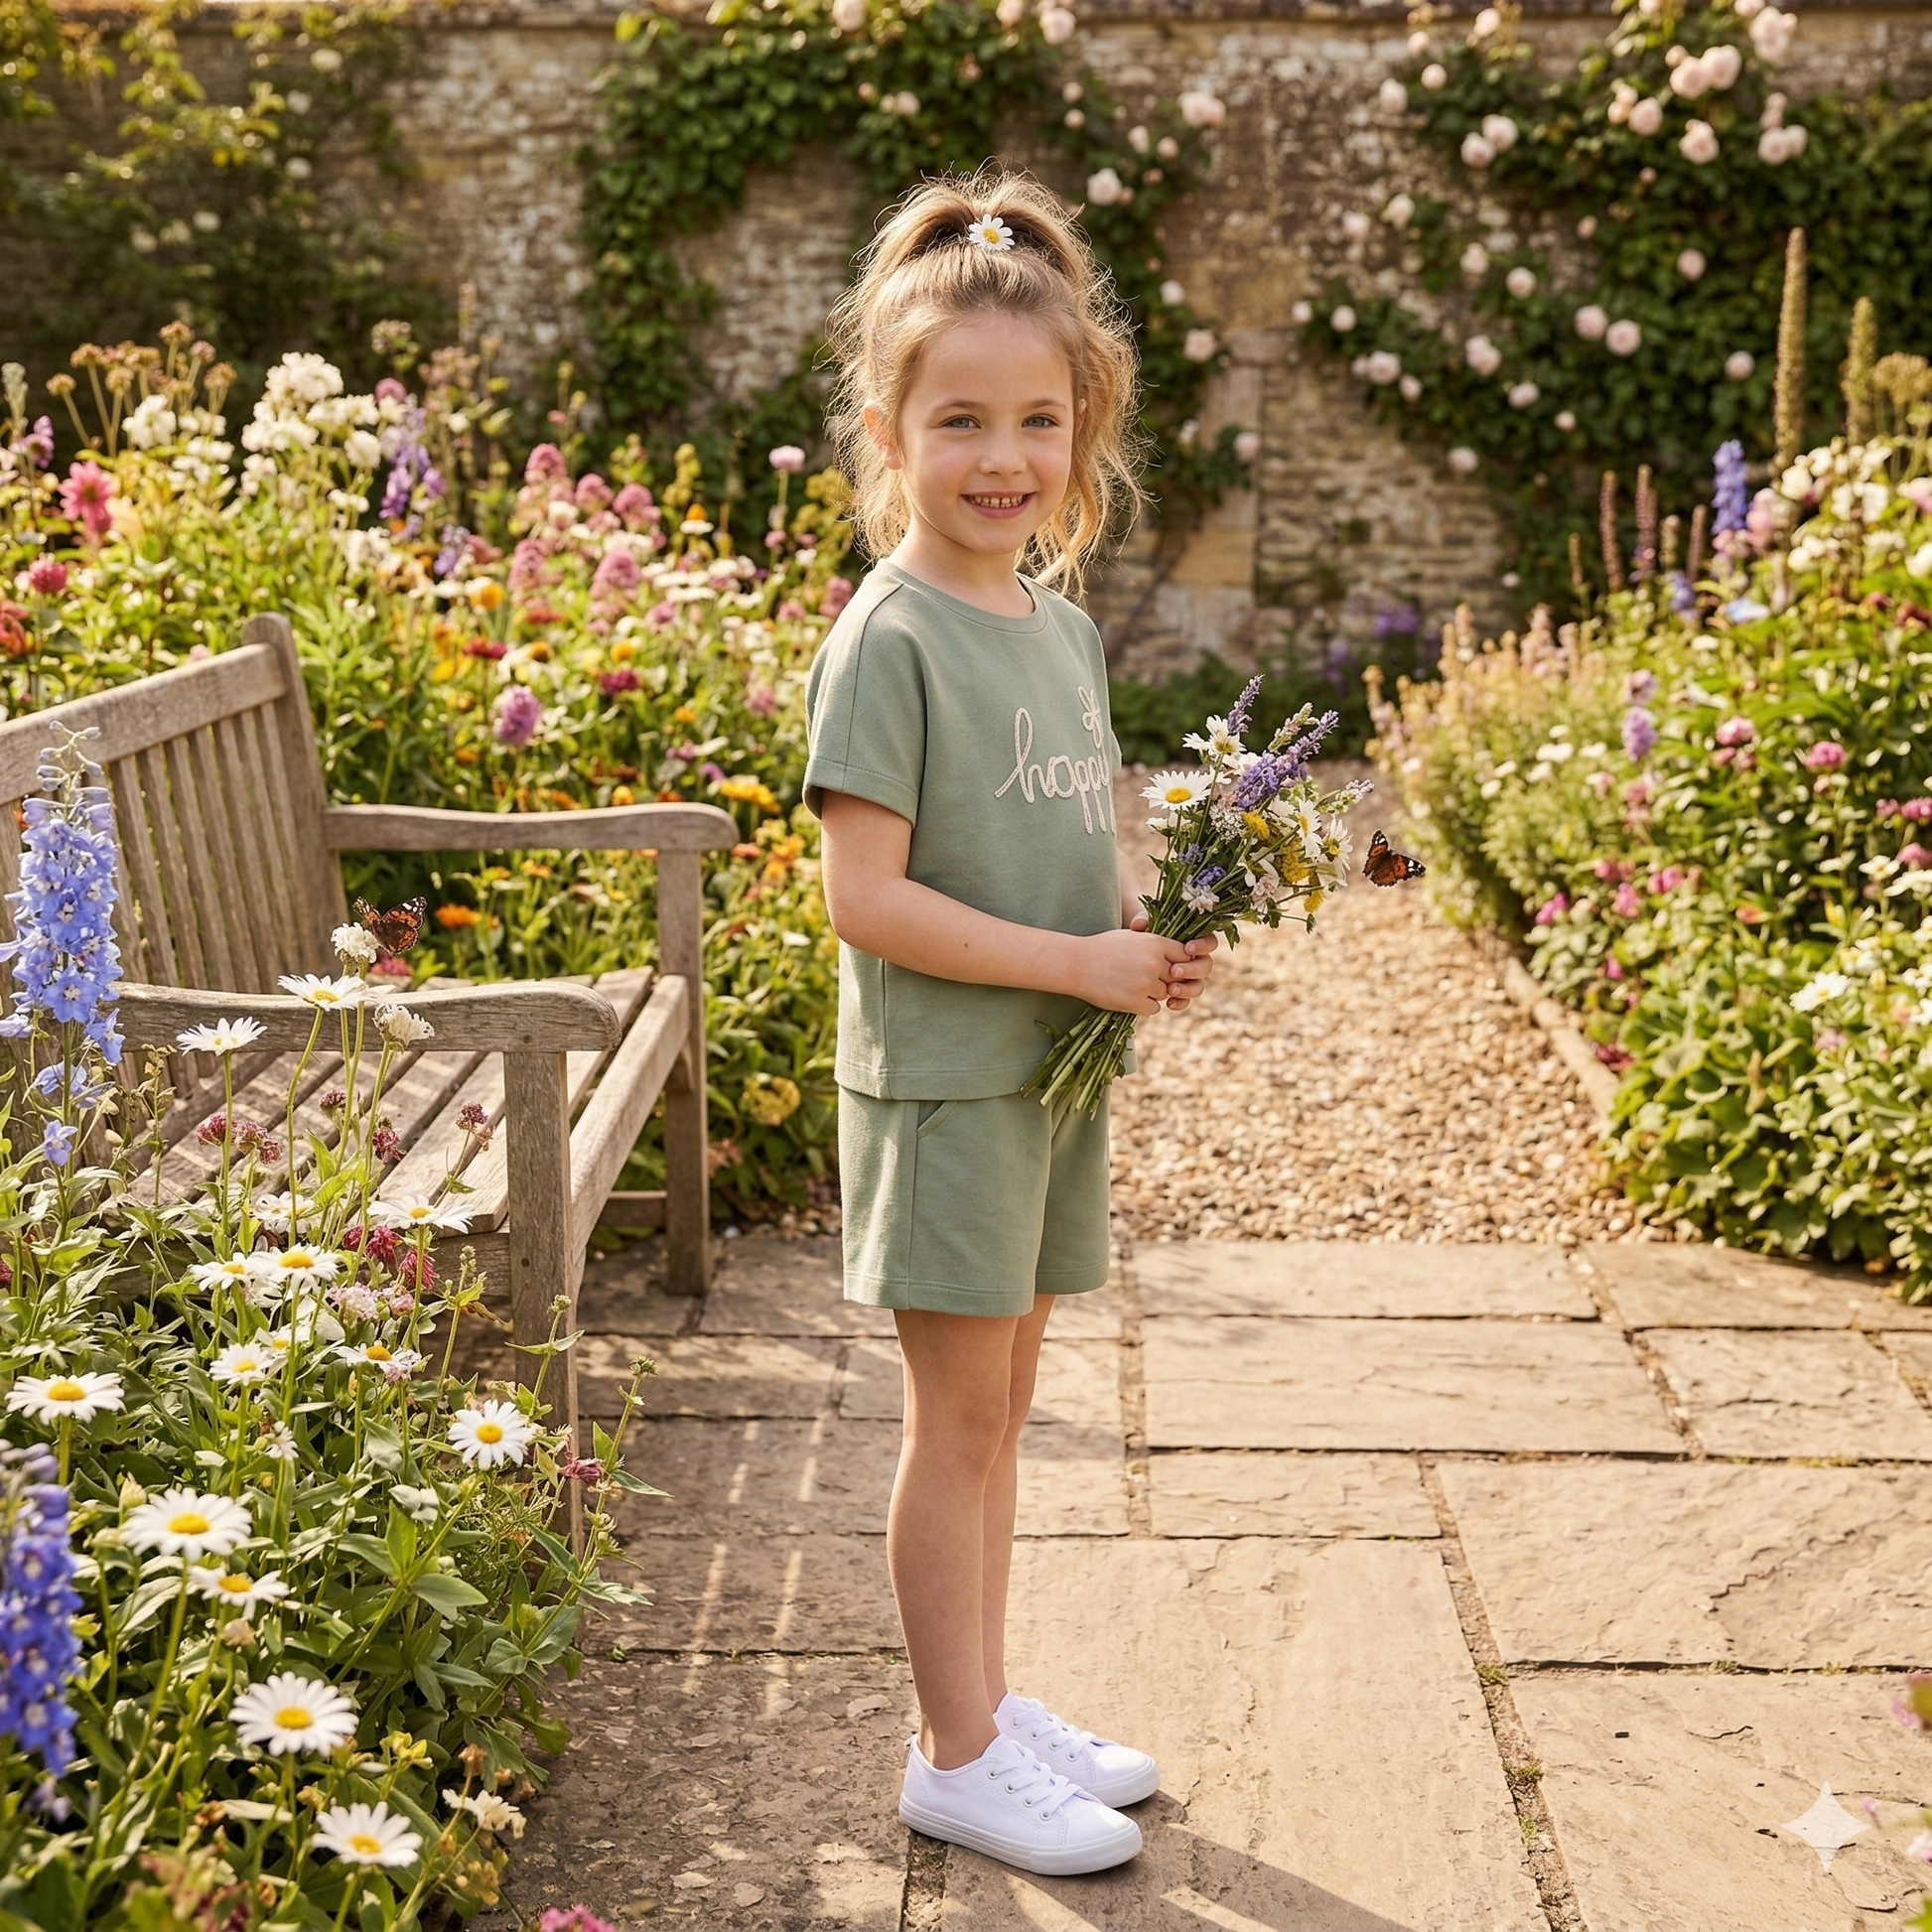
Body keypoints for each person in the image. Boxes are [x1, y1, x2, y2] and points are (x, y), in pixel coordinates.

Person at [804, 169, 1217, 1878]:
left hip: (1043, 1081)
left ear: (1083, 429)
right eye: (959, 417)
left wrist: (1127, 932)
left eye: (1035, 420)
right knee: (952, 1426)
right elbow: (866, 900)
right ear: (890, 429)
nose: (1001, 457)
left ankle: (978, 1699)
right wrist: (1068, 971)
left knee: (1005, 1417)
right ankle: (953, 1751)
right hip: (949, 1089)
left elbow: (1054, 841)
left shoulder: (1051, 627)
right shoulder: (887, 638)